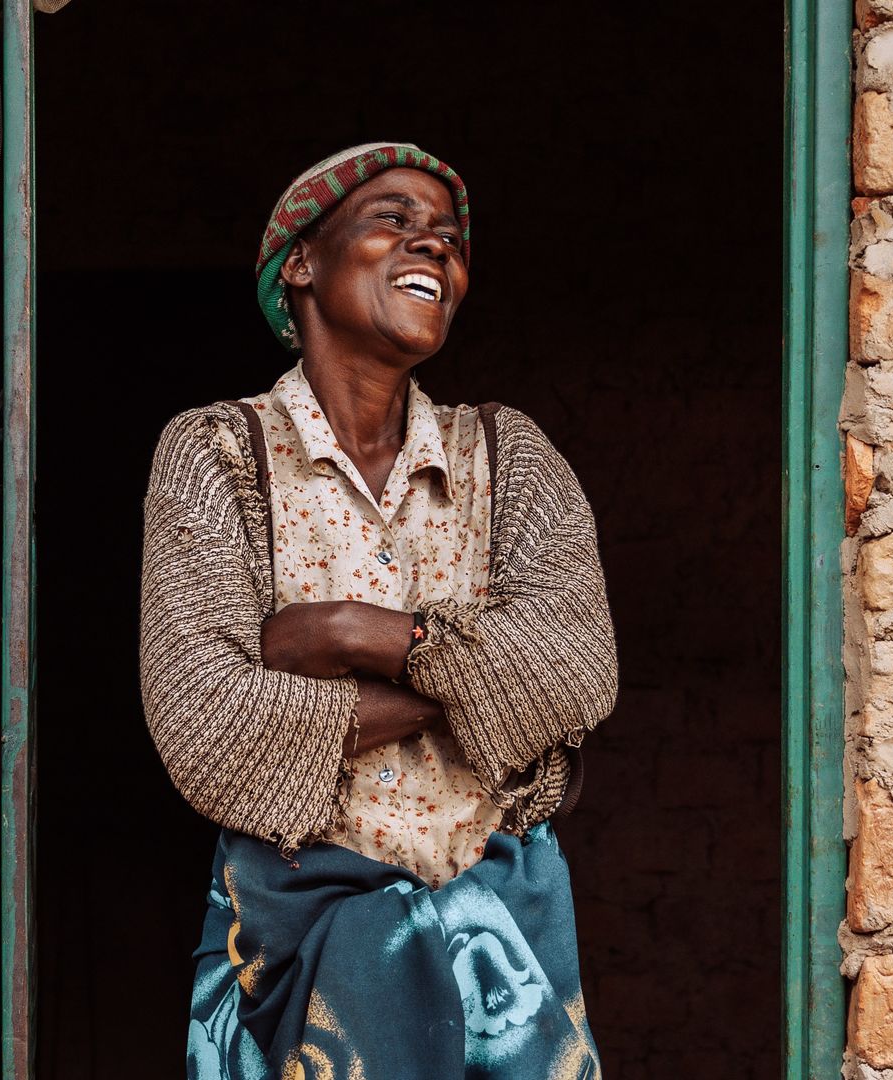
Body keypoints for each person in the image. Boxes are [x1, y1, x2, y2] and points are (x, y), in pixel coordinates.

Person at [139, 142, 618, 1080]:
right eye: (395, 219)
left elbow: (577, 670)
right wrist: (489, 697)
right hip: (296, 931)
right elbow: (207, 726)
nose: (433, 248)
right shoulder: (217, 456)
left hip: (500, 939)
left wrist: (337, 633)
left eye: (448, 237)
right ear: (304, 263)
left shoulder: (508, 455)